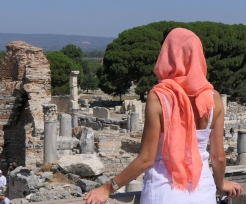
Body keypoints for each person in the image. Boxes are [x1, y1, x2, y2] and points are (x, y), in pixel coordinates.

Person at [84, 28, 242, 204]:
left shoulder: (159, 97)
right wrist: (221, 182)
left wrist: (107, 188)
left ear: (168, 56)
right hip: (202, 192)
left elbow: (146, 159)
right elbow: (218, 157)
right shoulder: (214, 98)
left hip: (164, 191)